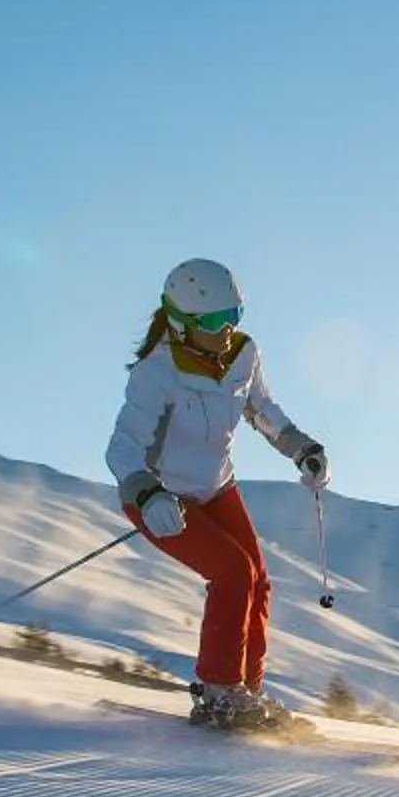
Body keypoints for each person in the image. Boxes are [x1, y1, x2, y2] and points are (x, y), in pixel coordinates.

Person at [107, 257, 332, 731]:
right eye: (213, 321)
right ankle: (219, 694)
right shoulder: (156, 373)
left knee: (258, 580)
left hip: (215, 487)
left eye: (234, 315)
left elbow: (261, 409)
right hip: (162, 497)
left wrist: (302, 449)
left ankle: (245, 692)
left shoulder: (243, 355)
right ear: (182, 323)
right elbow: (122, 449)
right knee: (233, 572)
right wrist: (147, 495)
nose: (227, 329)